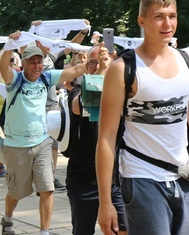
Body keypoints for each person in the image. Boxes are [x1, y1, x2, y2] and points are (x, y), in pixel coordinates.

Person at [97, 0, 189, 235]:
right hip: (141, 177)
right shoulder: (123, 69)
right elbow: (106, 137)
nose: (167, 23)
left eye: (172, 15)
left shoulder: (186, 63)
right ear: (142, 21)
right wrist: (106, 202)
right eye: (159, 16)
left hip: (183, 176)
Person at [0, 34, 89, 235]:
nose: (37, 66)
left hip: (42, 142)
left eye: (40, 62)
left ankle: (44, 232)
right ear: (24, 63)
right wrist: (10, 45)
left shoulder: (46, 77)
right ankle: (7, 218)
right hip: (17, 146)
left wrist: (93, 59)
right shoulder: (15, 80)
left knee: (47, 189)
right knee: (17, 192)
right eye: (33, 63)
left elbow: (74, 70)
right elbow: (3, 67)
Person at [66, 44, 127, 235]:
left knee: (122, 230)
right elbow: (81, 105)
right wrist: (102, 71)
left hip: (115, 181)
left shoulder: (123, 92)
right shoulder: (78, 89)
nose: (96, 65)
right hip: (83, 181)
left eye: (101, 60)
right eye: (92, 62)